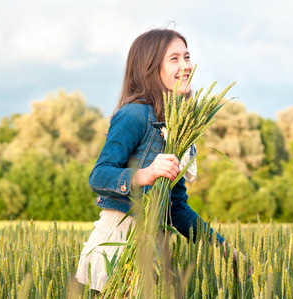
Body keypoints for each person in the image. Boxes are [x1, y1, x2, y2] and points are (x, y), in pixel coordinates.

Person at [75, 28, 236, 292]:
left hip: (153, 252)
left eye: (187, 57)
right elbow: (99, 175)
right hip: (117, 248)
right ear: (151, 67)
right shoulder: (135, 114)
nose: (186, 66)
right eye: (174, 59)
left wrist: (224, 249)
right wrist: (145, 174)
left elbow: (177, 209)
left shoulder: (178, 130)